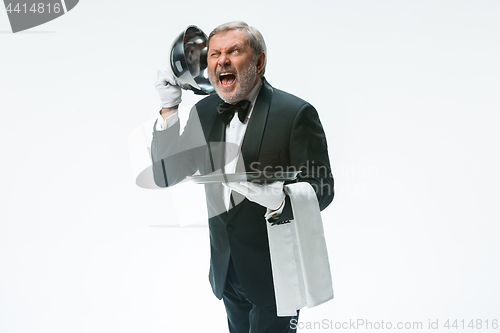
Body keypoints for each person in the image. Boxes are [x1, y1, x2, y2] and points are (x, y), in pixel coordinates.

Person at [151, 21, 334, 333]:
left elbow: (324, 189)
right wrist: (169, 108)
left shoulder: (295, 113)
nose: (222, 59)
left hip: (278, 272)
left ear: (259, 61)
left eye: (234, 51)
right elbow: (166, 174)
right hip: (227, 269)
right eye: (215, 53)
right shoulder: (205, 112)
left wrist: (280, 198)